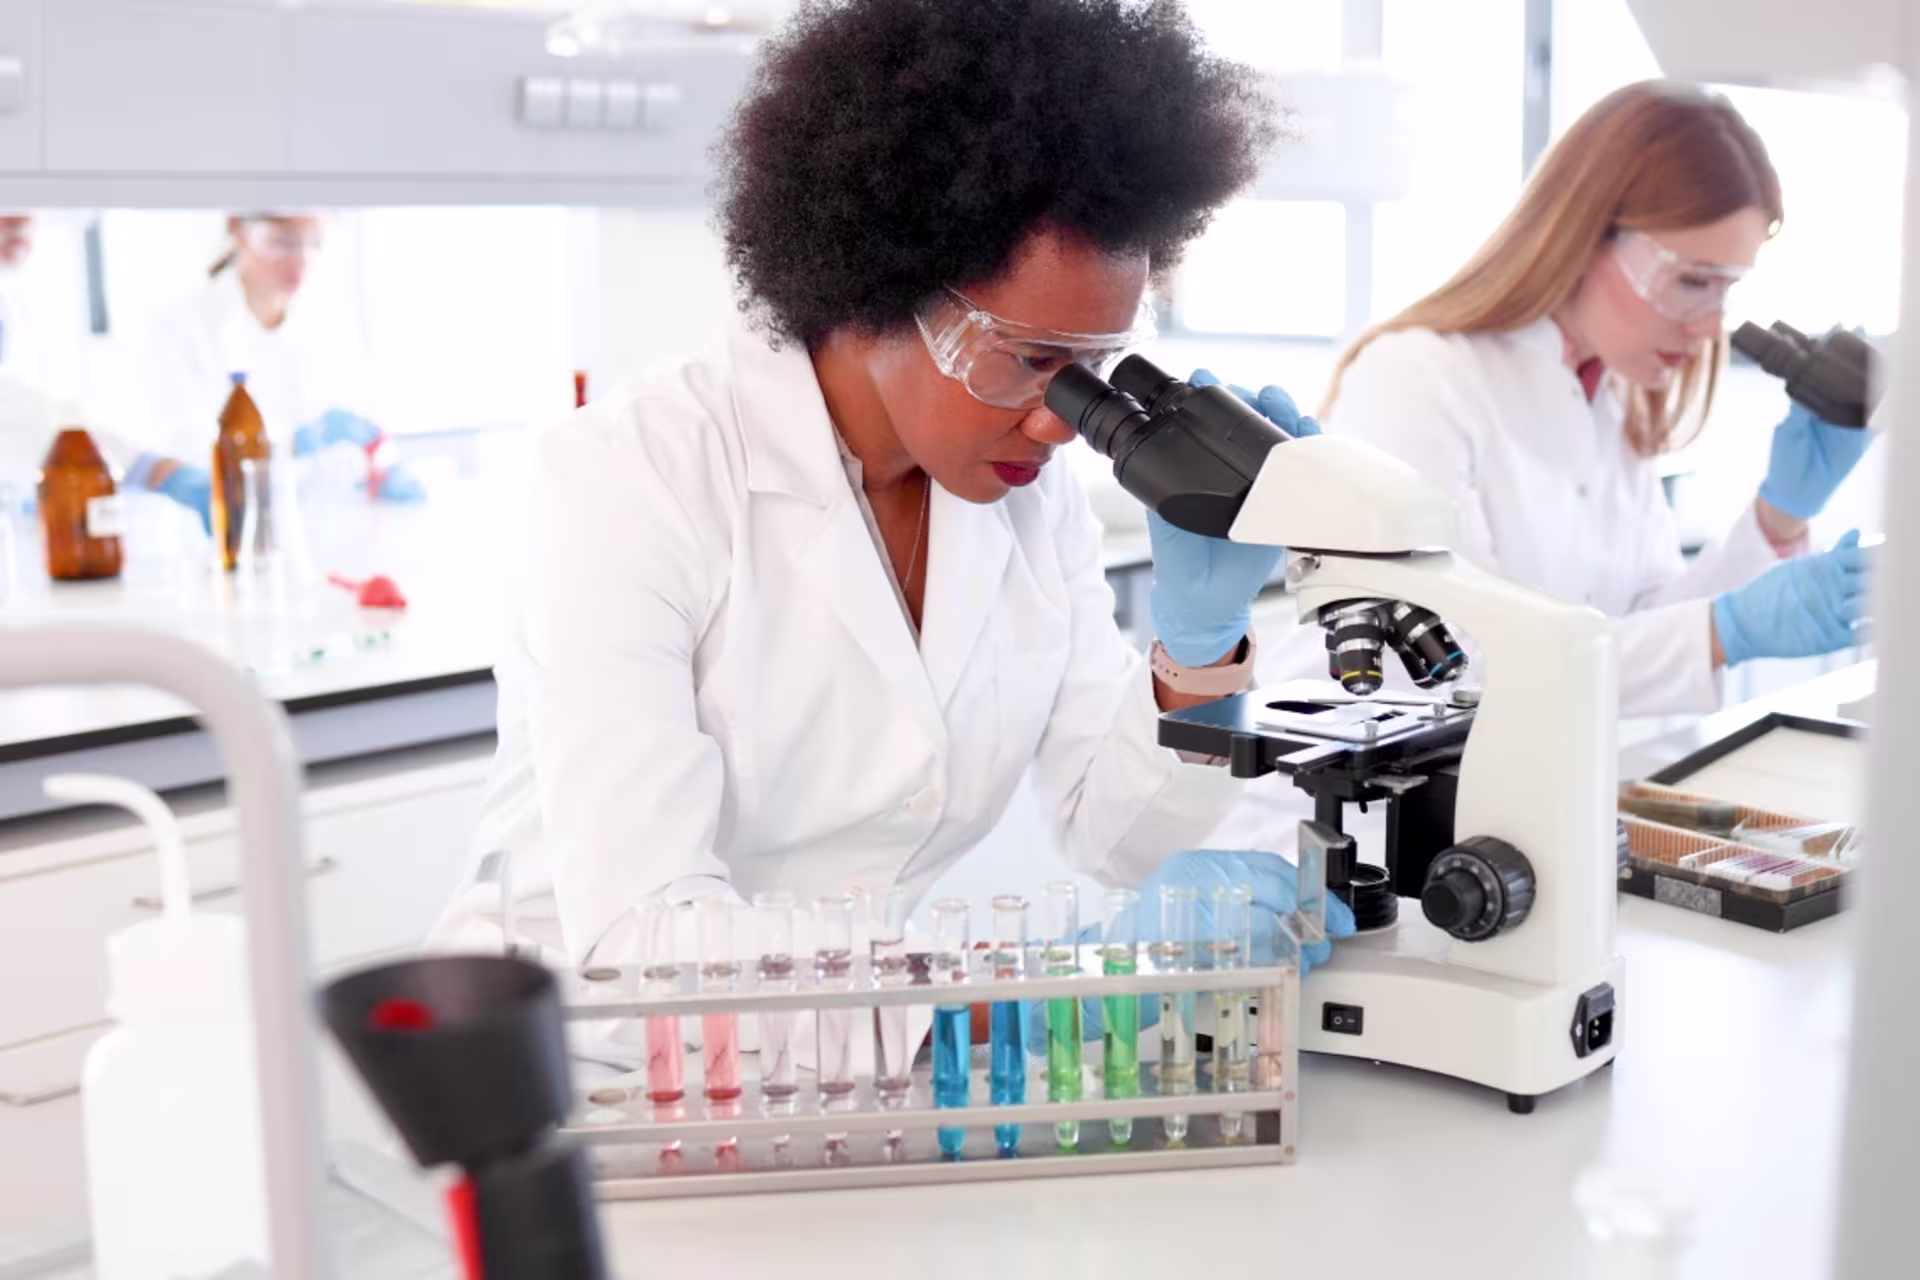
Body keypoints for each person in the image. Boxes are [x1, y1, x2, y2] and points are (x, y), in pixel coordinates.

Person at [434, 0, 1356, 978]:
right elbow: (642, 938)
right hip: (582, 1070)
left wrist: (1196, 659)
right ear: (882, 288)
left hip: (844, 1076)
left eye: (1093, 367)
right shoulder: (630, 479)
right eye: (1029, 358)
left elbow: (1117, 839)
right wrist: (1026, 979)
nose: (1057, 421)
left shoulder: (1028, 500)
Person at [1201, 81, 1874, 852]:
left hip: (1499, 833)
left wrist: (1777, 518)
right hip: (1334, 840)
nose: (1713, 326)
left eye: (1729, 290)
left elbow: (1644, 616)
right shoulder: (1419, 379)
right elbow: (1453, 670)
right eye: (1692, 281)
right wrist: (1725, 632)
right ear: (1587, 234)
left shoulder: (1612, 401)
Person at [127, 213, 423, 524]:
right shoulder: (179, 327)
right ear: (240, 232)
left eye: (314, 244)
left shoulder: (328, 323)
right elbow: (189, 453)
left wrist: (381, 468)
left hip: (331, 534)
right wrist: (290, 445)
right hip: (228, 535)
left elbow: (359, 434)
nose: (301, 260)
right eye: (283, 243)